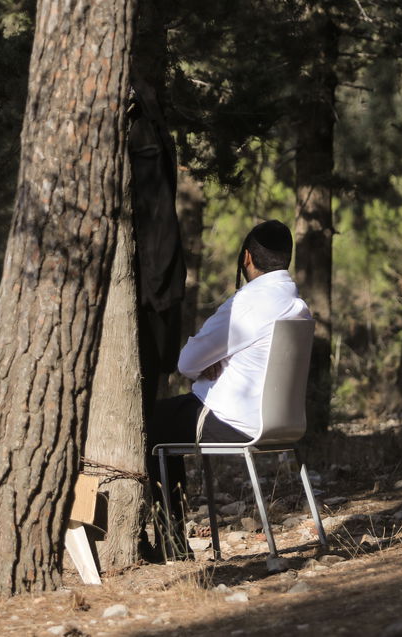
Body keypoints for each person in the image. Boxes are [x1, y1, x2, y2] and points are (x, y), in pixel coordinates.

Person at [144, 219, 309, 557]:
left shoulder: (245, 304)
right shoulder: (298, 306)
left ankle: (171, 544)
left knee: (147, 425)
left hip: (231, 421)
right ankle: (170, 543)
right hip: (283, 424)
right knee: (168, 417)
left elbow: (187, 363)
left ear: (247, 258)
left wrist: (207, 366)